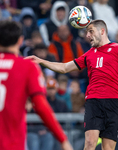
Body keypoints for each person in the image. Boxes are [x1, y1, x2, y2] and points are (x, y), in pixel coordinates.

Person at [26, 19, 118, 150]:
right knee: (90, 143)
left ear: (102, 31)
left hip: (114, 102)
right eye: (87, 33)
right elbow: (64, 68)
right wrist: (39, 60)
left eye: (91, 31)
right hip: (93, 101)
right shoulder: (89, 54)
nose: (88, 36)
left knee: (108, 148)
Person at [0, 20, 73, 150]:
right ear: (20, 40)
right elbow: (40, 106)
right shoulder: (27, 67)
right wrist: (63, 139)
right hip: (11, 144)